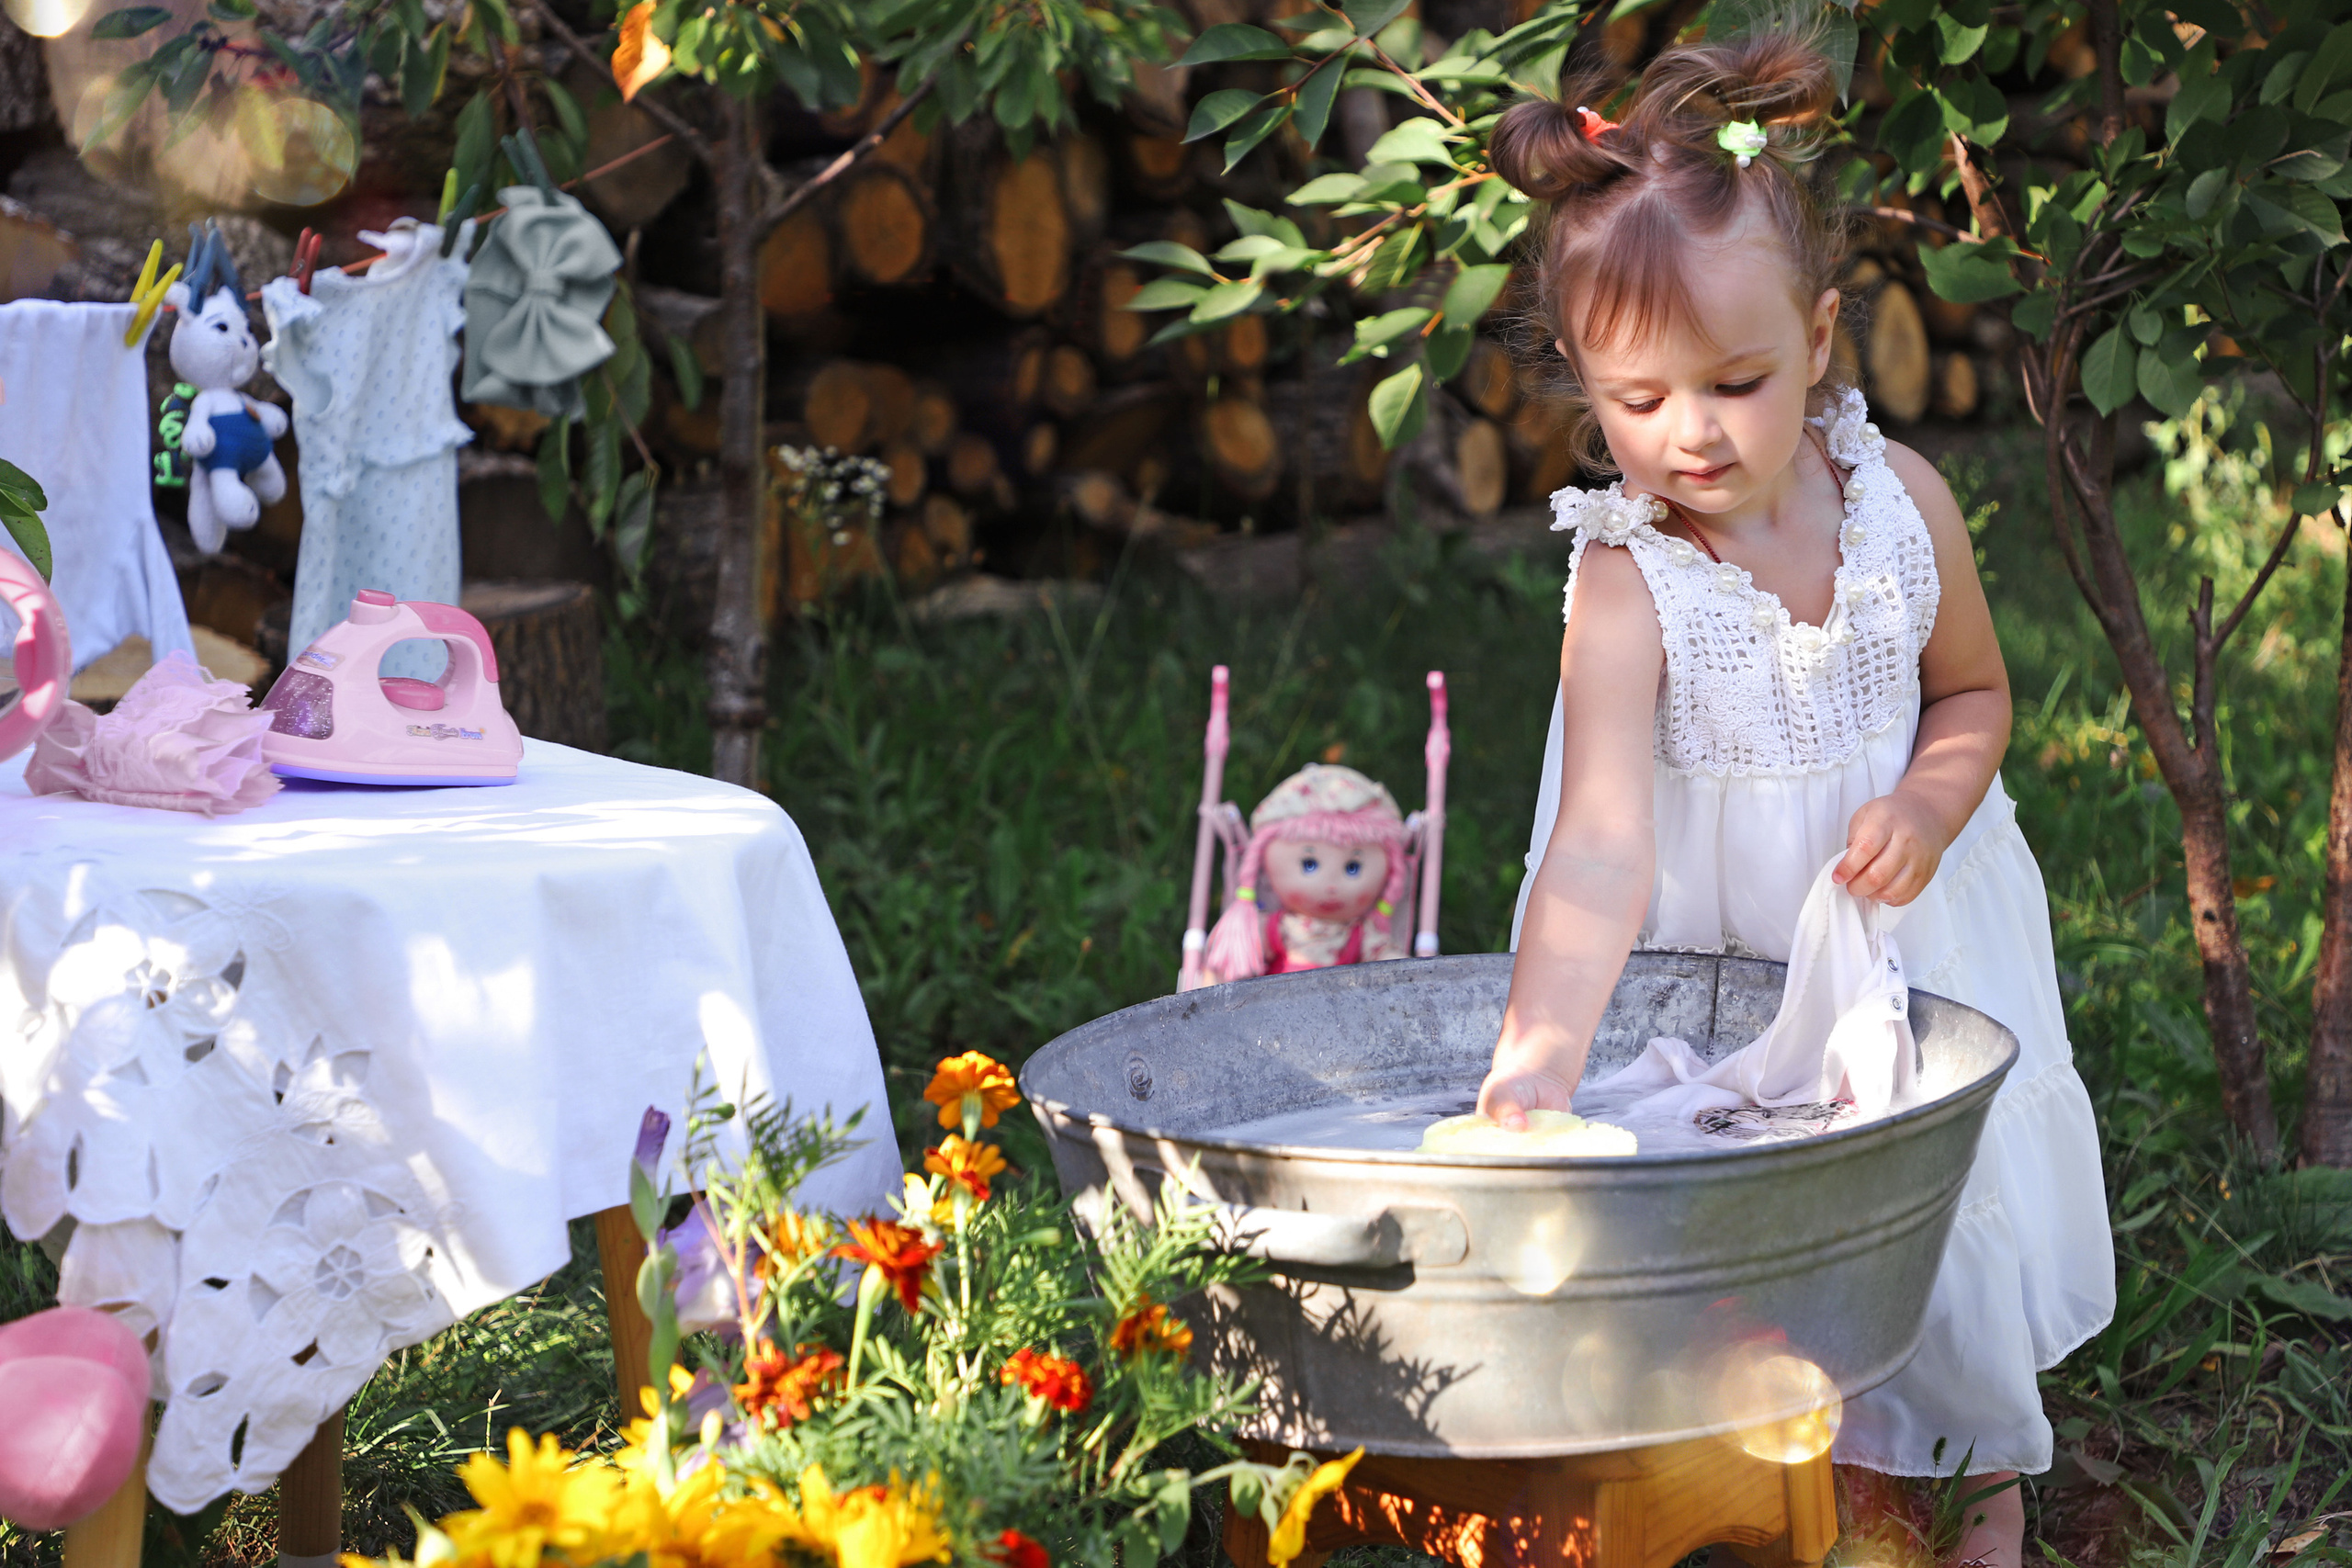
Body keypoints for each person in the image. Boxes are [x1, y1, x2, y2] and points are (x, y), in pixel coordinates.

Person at [1475, 34, 2114, 1567]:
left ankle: (1969, 1481)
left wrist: (1937, 801)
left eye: (1736, 381)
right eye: (1640, 398)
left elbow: (1973, 694)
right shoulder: (1629, 585)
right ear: (1583, 386)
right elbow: (1601, 847)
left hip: (1902, 938)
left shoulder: (1903, 512)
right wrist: (1535, 1069)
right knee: (1739, 1222)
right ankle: (1758, 1475)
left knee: (1926, 1195)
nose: (1692, 430)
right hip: (1717, 967)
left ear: (1823, 338)